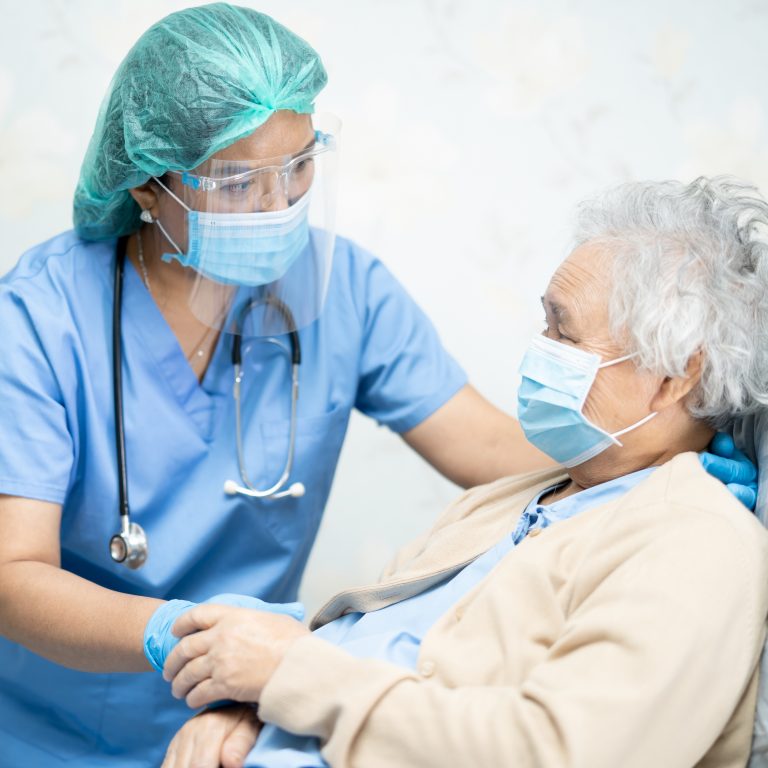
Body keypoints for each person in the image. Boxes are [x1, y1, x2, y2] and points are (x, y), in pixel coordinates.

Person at [0, 4, 753, 766]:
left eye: (299, 167)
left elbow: (492, 449)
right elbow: (12, 571)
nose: (277, 205)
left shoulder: (345, 291)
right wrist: (181, 632)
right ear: (147, 185)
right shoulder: (43, 316)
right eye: (237, 182)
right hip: (58, 722)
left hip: (256, 699)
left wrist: (662, 462)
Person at [159, 176, 768, 768]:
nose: (540, 347)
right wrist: (253, 709)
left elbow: (556, 753)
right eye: (546, 322)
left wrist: (288, 675)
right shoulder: (510, 502)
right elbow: (352, 653)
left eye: (565, 332)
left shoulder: (694, 543)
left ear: (676, 377)